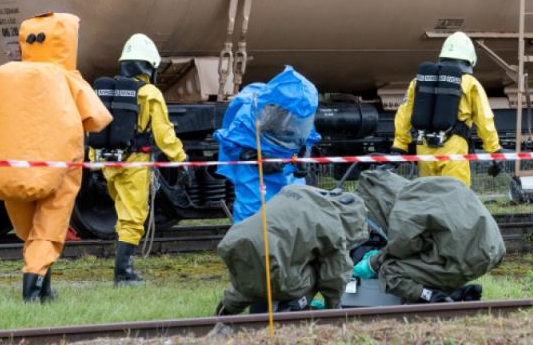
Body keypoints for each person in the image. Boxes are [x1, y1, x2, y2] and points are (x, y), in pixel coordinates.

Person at [0, 12, 112, 302]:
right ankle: (31, 292)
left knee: (30, 233)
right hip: (57, 170)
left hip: (9, 168)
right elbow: (98, 119)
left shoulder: (5, 78)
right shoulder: (67, 78)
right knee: (47, 232)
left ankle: (45, 289)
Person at [92, 34, 187, 286]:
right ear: (148, 66)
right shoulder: (149, 93)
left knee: (123, 214)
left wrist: (94, 163)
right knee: (134, 217)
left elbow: (93, 126)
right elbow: (164, 134)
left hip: (108, 163)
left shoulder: (108, 90)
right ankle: (123, 274)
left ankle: (123, 270)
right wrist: (180, 158)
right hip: (135, 164)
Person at [351, 168, 504, 304]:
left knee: (390, 271)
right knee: (420, 265)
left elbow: (400, 250)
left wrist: (372, 263)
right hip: (490, 249)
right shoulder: (420, 191)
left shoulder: (402, 208)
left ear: (377, 204)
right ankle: (459, 293)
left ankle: (436, 298)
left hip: (465, 258)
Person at [214, 185, 367, 315]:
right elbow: (334, 276)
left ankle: (219, 318)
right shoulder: (334, 225)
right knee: (318, 269)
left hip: (237, 243)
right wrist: (333, 309)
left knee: (247, 285)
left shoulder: (295, 190)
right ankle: (289, 309)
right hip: (277, 268)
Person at [390, 32, 502, 186]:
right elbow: (484, 119)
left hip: (424, 147)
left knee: (428, 197)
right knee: (455, 197)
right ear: (469, 59)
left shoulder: (419, 81)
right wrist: (495, 151)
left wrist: (399, 146)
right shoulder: (470, 83)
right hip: (453, 148)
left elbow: (403, 115)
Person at [213, 66, 320, 223]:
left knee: (293, 216)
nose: (290, 124)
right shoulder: (247, 115)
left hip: (289, 174)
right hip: (255, 177)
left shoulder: (300, 113)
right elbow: (229, 144)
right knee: (254, 221)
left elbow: (308, 137)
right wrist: (254, 157)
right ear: (275, 108)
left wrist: (304, 155)